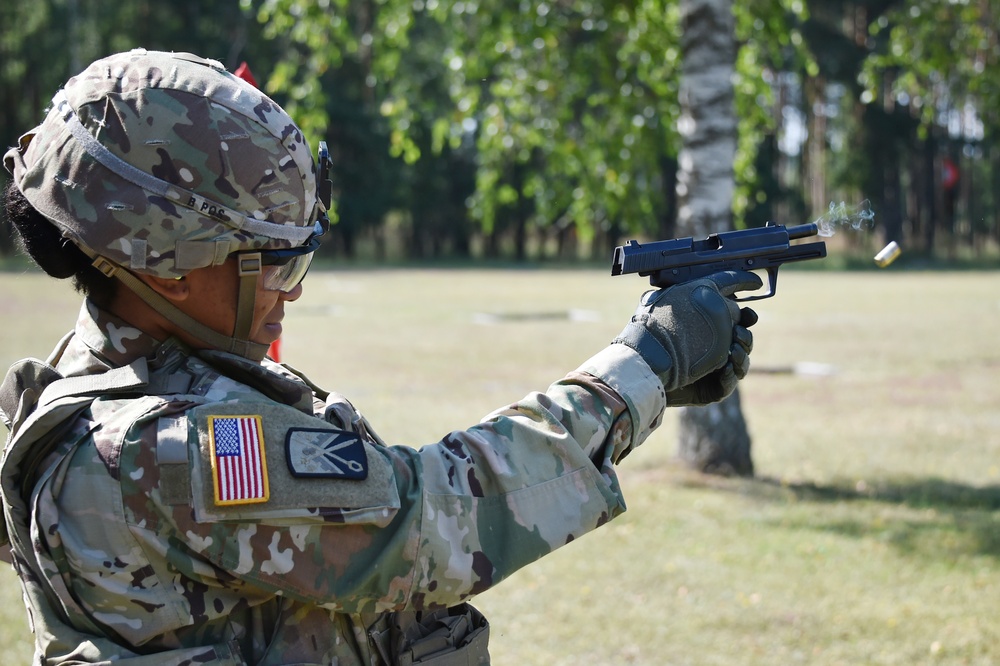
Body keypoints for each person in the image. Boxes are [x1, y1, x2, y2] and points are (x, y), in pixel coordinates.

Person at [0, 49, 760, 665]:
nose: (289, 296)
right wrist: (645, 366)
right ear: (164, 264)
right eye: (275, 264)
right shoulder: (173, 451)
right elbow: (434, 518)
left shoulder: (74, 383)